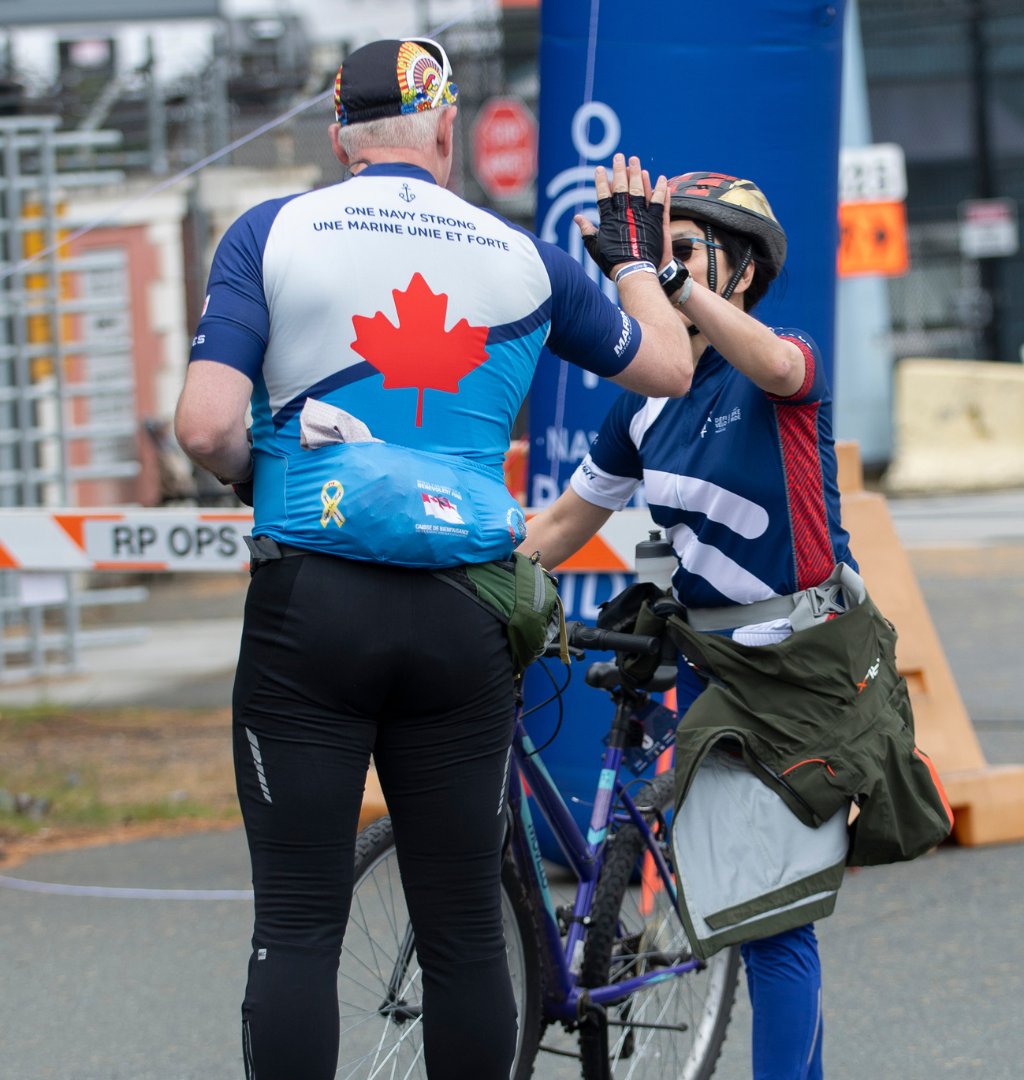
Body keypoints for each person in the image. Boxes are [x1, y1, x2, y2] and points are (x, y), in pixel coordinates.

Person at [173, 36, 690, 1080]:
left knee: (300, 925)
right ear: (448, 132)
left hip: (310, 602)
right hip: (464, 608)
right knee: (461, 924)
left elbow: (204, 425)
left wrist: (252, 474)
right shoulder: (520, 259)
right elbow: (672, 365)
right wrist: (632, 256)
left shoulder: (271, 233)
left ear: (339, 139)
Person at [520, 170, 858, 1080]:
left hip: (799, 664)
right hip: (711, 662)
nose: (661, 264)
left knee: (774, 927)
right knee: (747, 919)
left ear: (739, 272)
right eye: (653, 248)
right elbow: (556, 529)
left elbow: (783, 368)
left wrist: (661, 282)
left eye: (686, 249)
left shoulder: (780, 362)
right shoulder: (644, 400)